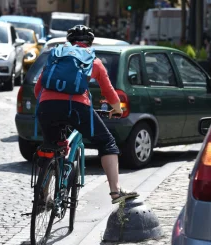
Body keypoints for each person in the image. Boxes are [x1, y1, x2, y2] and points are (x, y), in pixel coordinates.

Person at [34, 25, 139, 204]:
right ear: (90, 43)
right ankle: (115, 192)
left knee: (50, 147)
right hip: (76, 108)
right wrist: (118, 109)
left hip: (47, 106)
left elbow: (38, 89)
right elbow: (109, 92)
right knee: (107, 142)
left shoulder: (56, 56)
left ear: (69, 41)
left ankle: (42, 196)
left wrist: (49, 104)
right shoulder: (93, 60)